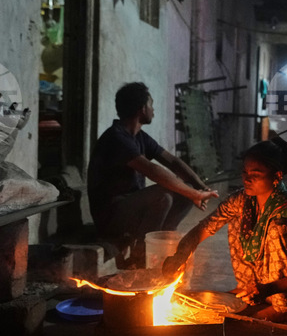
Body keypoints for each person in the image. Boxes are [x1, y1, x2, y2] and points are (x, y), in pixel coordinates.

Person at [163, 137, 287, 324]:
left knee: (276, 228)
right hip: (265, 287)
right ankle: (251, 291)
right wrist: (180, 255)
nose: (247, 179)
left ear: (277, 176)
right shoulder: (241, 201)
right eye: (244, 172)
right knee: (237, 219)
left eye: (255, 174)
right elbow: (204, 228)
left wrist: (270, 288)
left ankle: (284, 308)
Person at [87, 82, 218, 265]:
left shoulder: (139, 136)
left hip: (129, 208)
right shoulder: (116, 138)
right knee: (162, 196)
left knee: (185, 191)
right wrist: (194, 193)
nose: (153, 110)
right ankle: (139, 258)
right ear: (142, 109)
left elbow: (173, 162)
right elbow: (152, 170)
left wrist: (200, 188)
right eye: (151, 104)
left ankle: (162, 243)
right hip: (110, 216)